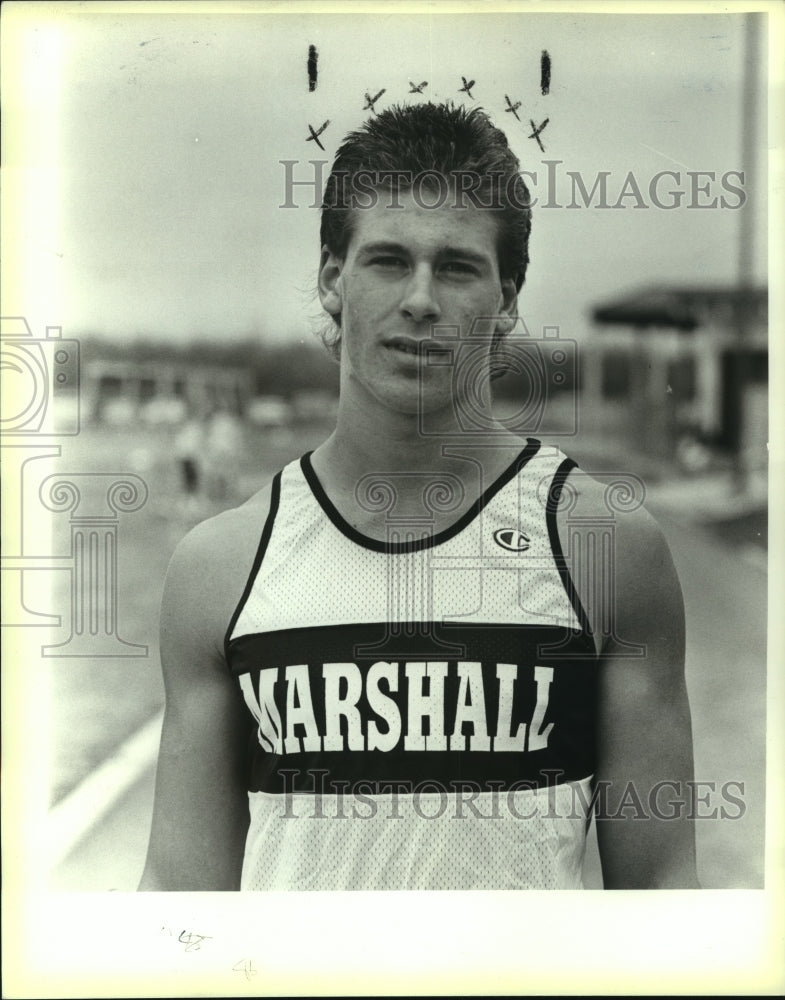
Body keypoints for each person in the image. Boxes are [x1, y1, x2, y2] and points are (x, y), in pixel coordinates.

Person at [139, 103, 699, 890]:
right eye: (388, 260)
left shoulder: (602, 545)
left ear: (506, 296)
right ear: (334, 278)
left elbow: (663, 895)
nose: (421, 299)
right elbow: (176, 899)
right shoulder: (222, 565)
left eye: (458, 267)